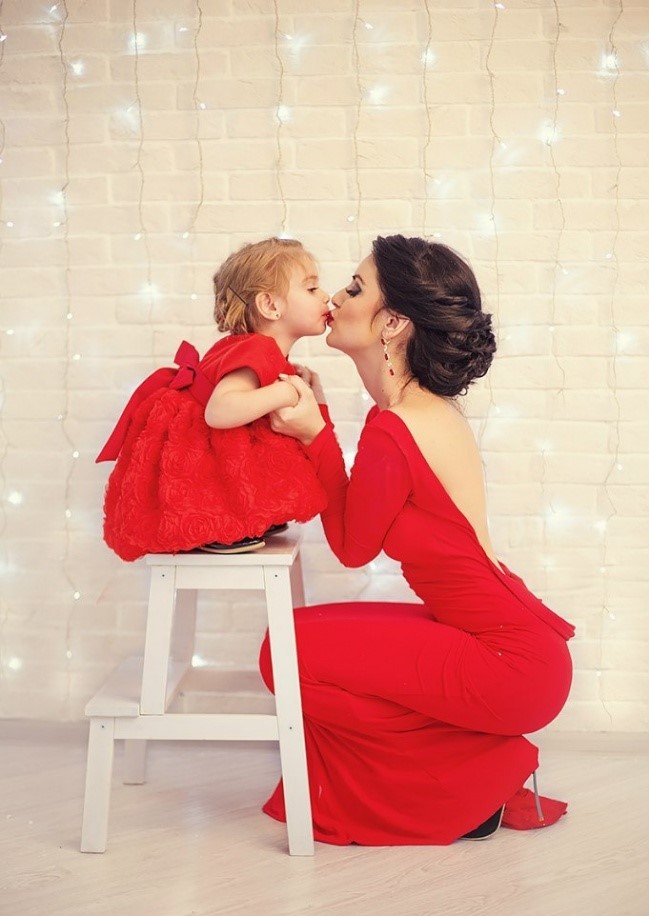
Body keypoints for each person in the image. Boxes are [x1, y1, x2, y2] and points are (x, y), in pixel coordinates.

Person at [259, 234, 575, 845]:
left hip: (510, 663)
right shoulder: (406, 413)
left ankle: (481, 777)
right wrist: (319, 429)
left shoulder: (398, 426)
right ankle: (475, 781)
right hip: (507, 644)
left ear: (394, 322)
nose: (335, 298)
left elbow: (351, 548)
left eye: (355, 289)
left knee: (285, 654)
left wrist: (316, 435)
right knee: (291, 640)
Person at [97, 237, 332, 560]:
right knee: (216, 477)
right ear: (270, 305)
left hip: (214, 440)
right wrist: (286, 391)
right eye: (312, 288)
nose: (326, 296)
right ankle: (218, 527)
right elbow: (220, 411)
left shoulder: (257, 348)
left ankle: (252, 516)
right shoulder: (257, 348)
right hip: (199, 443)